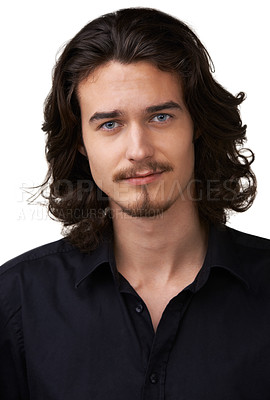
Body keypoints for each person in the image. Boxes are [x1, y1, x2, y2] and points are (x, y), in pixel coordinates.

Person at [0, 7, 269, 400]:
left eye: (160, 117)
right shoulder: (16, 301)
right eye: (110, 124)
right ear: (80, 142)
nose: (138, 150)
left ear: (197, 124)